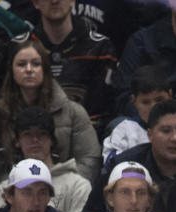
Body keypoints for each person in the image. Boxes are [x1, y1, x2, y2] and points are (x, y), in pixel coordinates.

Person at [0, 40, 101, 182]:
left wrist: (65, 188)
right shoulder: (1, 113)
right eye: (21, 64)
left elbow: (89, 160)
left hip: (65, 192)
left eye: (36, 64)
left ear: (46, 69)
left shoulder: (74, 112)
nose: (29, 69)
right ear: (11, 71)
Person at [0, 107, 92, 212]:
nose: (35, 140)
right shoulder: (4, 190)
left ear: (52, 139)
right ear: (18, 141)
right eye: (27, 134)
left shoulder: (77, 185)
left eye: (42, 134)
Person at [30, 0, 118, 129]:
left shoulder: (100, 47)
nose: (54, 1)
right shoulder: (20, 48)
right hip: (33, 134)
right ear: (36, 2)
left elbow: (102, 112)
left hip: (88, 135)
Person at [101, 65, 173, 164]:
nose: (153, 107)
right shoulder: (123, 131)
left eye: (159, 100)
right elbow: (112, 167)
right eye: (146, 102)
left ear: (170, 95)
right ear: (134, 101)